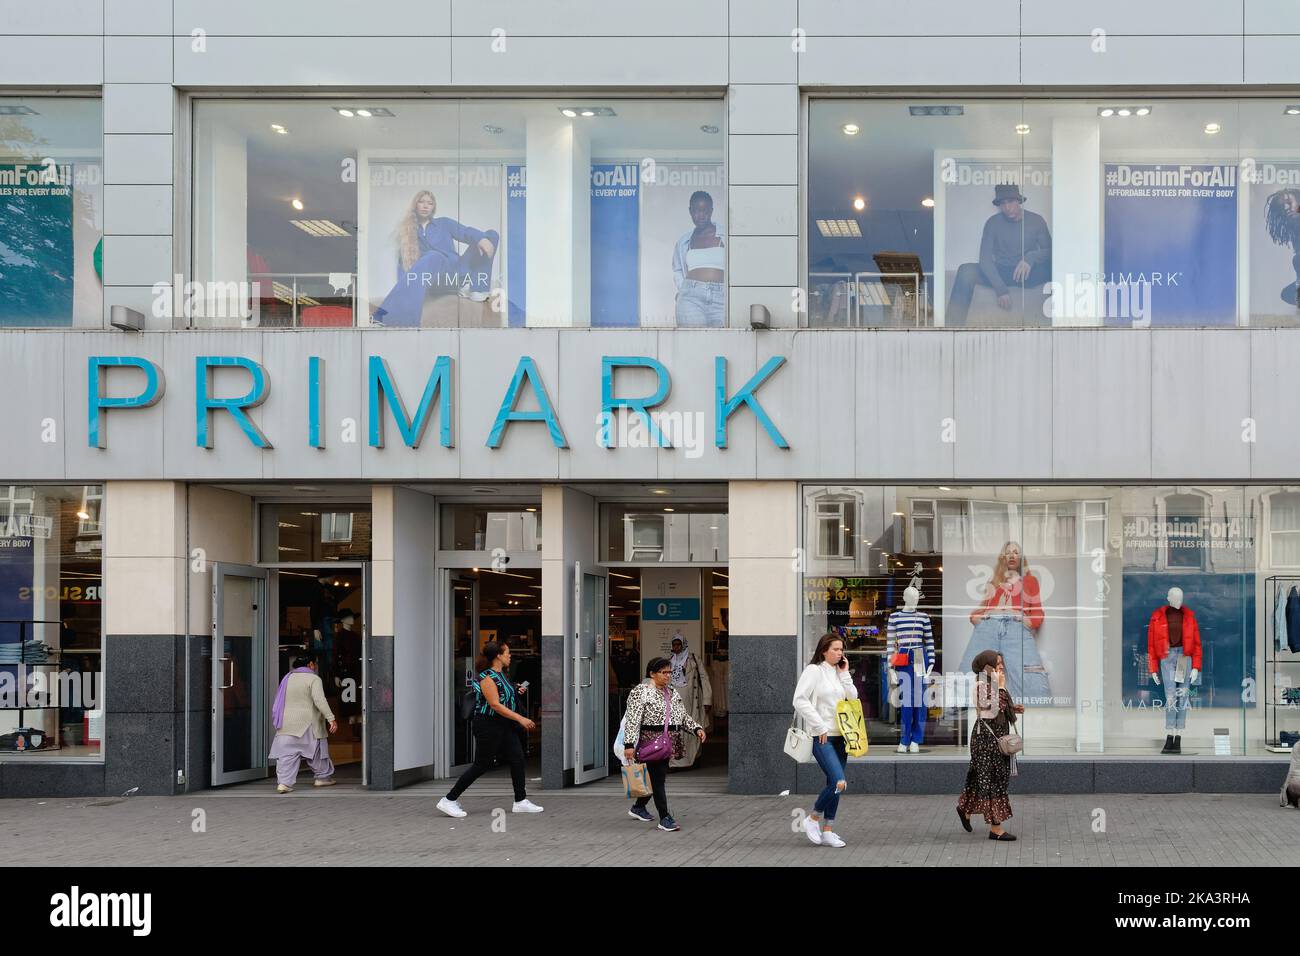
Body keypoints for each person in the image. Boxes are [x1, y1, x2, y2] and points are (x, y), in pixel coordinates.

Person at [438, 640, 542, 817]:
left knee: (517, 758)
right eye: (507, 652)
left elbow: (501, 698)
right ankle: (448, 800)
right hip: (488, 724)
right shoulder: (487, 677)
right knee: (482, 764)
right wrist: (521, 718)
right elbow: (494, 704)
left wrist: (515, 691)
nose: (510, 655)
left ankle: (520, 800)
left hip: (503, 724)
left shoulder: (501, 674)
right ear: (498, 656)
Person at [373, 190, 500, 326]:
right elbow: (404, 267)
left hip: (456, 273)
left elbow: (465, 231)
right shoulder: (408, 232)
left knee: (491, 235)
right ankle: (387, 318)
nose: (425, 206)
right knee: (434, 256)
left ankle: (478, 290)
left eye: (430, 203)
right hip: (434, 281)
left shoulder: (444, 223)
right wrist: (406, 291)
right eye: (421, 202)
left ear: (434, 207)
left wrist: (480, 238)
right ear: (415, 205)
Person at [946, 184, 1052, 326]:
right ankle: (952, 329)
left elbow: (1051, 251)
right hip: (1001, 271)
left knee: (1057, 266)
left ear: (1019, 201)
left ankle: (1063, 324)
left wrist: (1030, 258)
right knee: (966, 270)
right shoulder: (992, 223)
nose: (1007, 208)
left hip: (1027, 273)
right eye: (1003, 203)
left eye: (1011, 202)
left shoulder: (1036, 220)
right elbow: (984, 259)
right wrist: (1000, 289)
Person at [959, 541, 1050, 704]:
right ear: (1003, 558)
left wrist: (1026, 621)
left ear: (1021, 557)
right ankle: (965, 715)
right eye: (1008, 552)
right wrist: (976, 618)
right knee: (971, 673)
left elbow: (1037, 612)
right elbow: (981, 608)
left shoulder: (1030, 581)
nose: (1012, 555)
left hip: (1016, 625)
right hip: (989, 625)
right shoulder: (994, 582)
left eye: (1016, 552)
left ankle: (1037, 719)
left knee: (1030, 679)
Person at [791, 633, 859, 849]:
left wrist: (845, 674)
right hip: (822, 736)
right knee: (839, 781)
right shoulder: (814, 671)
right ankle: (812, 819)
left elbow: (853, 697)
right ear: (824, 651)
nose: (840, 653)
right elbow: (799, 699)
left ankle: (828, 830)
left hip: (843, 736)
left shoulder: (839, 672)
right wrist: (819, 725)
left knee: (834, 785)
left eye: (842, 650)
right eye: (836, 650)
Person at [622, 657, 706, 831]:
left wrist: (696, 728)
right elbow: (633, 719)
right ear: (652, 674)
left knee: (656, 778)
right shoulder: (641, 691)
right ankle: (665, 818)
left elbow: (681, 716)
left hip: (667, 742)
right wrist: (629, 744)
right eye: (663, 672)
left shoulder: (672, 692)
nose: (668, 676)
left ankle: (639, 807)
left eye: (669, 672)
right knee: (658, 779)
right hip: (649, 741)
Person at [956, 650, 1024, 840]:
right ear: (987, 666)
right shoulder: (981, 685)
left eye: (1001, 662)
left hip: (996, 740)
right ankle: (996, 829)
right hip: (986, 741)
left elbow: (1002, 709)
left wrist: (1014, 708)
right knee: (994, 781)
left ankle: (965, 809)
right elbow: (992, 710)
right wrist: (1001, 687)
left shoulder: (993, 684)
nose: (1001, 666)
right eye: (997, 663)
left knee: (982, 779)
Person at [269, 650, 337, 793]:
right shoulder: (313, 679)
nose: (315, 666)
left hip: (287, 725)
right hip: (308, 724)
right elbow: (320, 700)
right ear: (310, 664)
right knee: (317, 752)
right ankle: (322, 778)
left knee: (287, 755)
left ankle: (284, 783)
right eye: (315, 664)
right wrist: (331, 718)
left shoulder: (287, 678)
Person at [672, 190, 725, 327]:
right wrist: (682, 290)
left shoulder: (726, 236)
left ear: (711, 211)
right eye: (696, 211)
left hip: (722, 298)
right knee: (693, 344)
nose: (701, 215)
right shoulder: (684, 241)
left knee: (723, 344)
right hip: (691, 298)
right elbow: (677, 269)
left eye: (705, 211)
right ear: (690, 211)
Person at [668, 636, 712, 768]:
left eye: (678, 644)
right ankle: (677, 761)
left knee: (693, 729)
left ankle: (694, 758)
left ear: (684, 645)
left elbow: (704, 678)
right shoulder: (670, 661)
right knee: (677, 731)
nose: (676, 647)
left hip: (693, 701)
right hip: (675, 701)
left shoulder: (693, 659)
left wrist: (707, 699)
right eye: (674, 644)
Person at [1264, 188, 1300, 308]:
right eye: (1282, 207)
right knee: (1287, 294)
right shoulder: (1295, 227)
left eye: (1289, 202)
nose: (1286, 207)